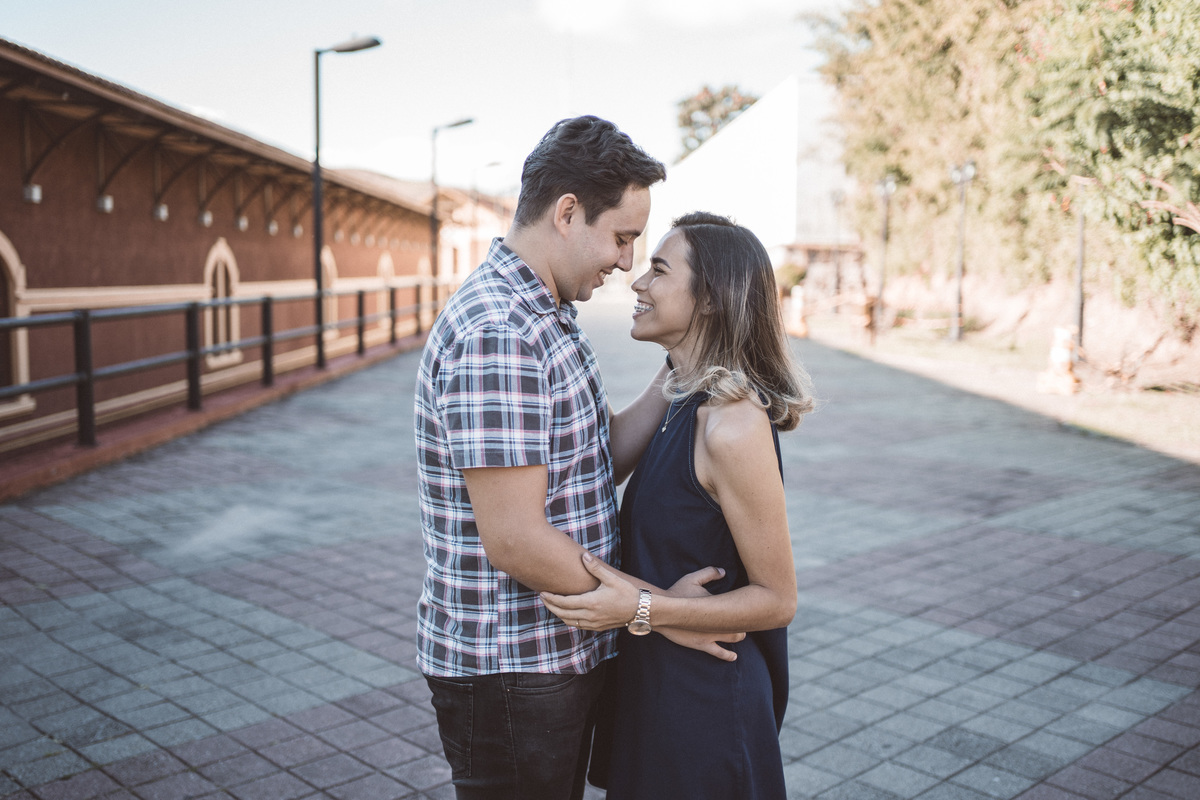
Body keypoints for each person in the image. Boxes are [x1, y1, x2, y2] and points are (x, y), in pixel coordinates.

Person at [413, 117, 736, 800]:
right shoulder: (500, 331)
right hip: (512, 672)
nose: (625, 262)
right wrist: (648, 608)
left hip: (550, 658)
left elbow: (594, 463)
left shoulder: (546, 314)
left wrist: (680, 368)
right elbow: (517, 538)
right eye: (621, 237)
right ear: (567, 213)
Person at [541, 212, 814, 799]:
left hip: (707, 707)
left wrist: (646, 609)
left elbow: (778, 599)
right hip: (659, 690)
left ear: (711, 299)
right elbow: (604, 461)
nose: (635, 280)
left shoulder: (732, 424)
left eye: (659, 269)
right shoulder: (685, 396)